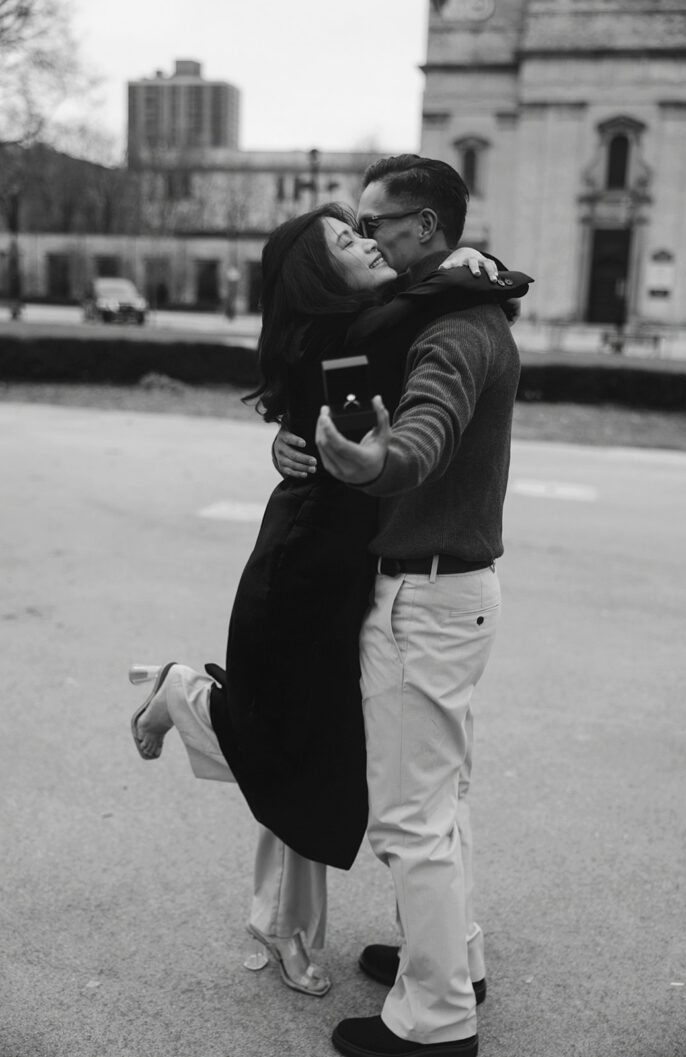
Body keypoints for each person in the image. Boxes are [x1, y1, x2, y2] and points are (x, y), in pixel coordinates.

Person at [129, 198, 529, 1005]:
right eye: (348, 241)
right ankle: (282, 916)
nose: (368, 242)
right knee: (296, 749)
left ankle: (190, 699)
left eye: (363, 230)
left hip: (353, 569)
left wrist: (473, 269)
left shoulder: (360, 325)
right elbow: (399, 322)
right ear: (321, 275)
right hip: (306, 573)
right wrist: (472, 269)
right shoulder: (348, 335)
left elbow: (399, 327)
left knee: (312, 752)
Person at [304, 156, 525, 1057]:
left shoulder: (455, 330)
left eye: (374, 223)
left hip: (427, 596)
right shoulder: (462, 305)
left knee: (410, 817)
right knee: (442, 798)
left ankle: (434, 1019)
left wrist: (379, 463)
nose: (364, 237)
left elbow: (428, 424)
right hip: (452, 591)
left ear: (425, 227)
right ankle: (453, 958)